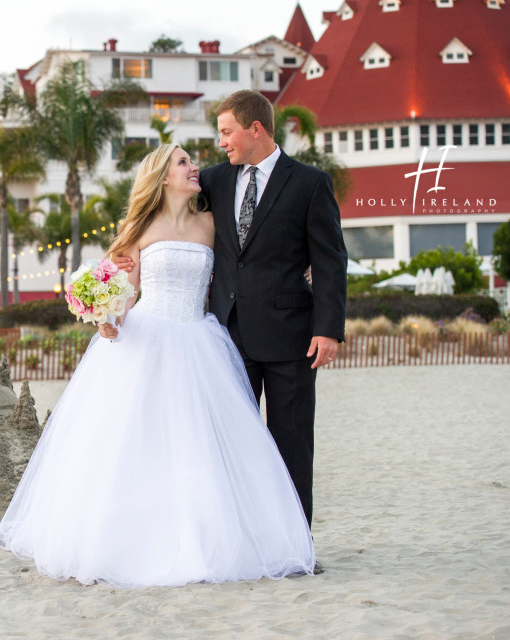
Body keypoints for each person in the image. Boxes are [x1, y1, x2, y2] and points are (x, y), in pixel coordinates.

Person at [0, 144, 315, 588]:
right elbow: (124, 291)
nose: (193, 167)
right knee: (134, 442)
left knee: (198, 445)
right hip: (146, 340)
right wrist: (108, 319)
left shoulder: (212, 223)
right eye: (183, 162)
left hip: (200, 342)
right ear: (162, 176)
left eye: (191, 161)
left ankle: (206, 539)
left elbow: (247, 262)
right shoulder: (138, 227)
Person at [115, 90, 347, 529]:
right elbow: (169, 226)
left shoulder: (310, 183)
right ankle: (242, 537)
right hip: (226, 339)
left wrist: (328, 328)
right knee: (230, 443)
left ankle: (294, 542)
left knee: (292, 442)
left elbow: (331, 261)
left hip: (290, 336)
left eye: (226, 132)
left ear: (254, 128)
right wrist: (127, 265)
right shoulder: (215, 182)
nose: (221, 142)